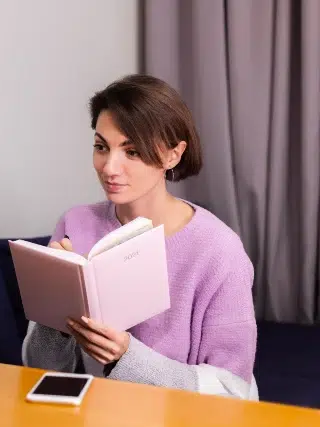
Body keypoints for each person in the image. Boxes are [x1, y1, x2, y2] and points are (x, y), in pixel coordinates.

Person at [22, 74, 258, 400]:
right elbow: (44, 371)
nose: (109, 167)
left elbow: (231, 391)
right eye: (101, 147)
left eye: (131, 152)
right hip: (101, 410)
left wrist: (126, 356)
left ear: (172, 155)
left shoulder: (218, 249)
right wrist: (53, 314)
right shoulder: (75, 224)